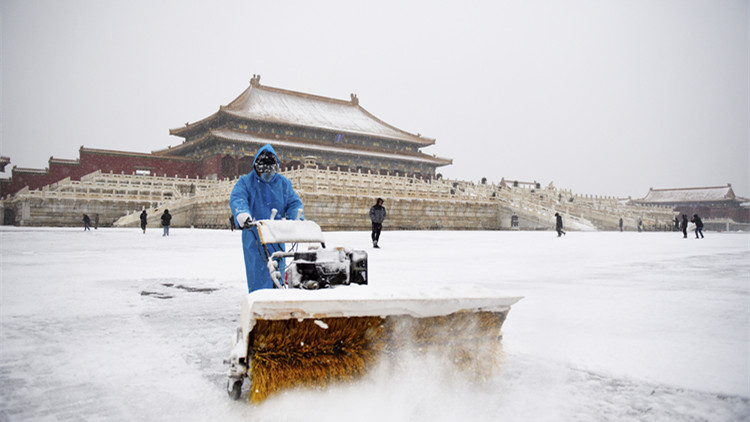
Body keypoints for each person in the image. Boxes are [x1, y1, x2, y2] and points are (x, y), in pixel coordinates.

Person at [230, 144, 304, 293]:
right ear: (257, 168)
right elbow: (238, 199)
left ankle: (276, 299)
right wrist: (243, 214)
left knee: (278, 271)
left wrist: (296, 218)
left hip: (277, 235)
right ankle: (259, 300)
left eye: (271, 172)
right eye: (264, 172)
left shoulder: (283, 183)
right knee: (258, 274)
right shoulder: (246, 182)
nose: (268, 175)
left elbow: (293, 202)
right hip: (255, 236)